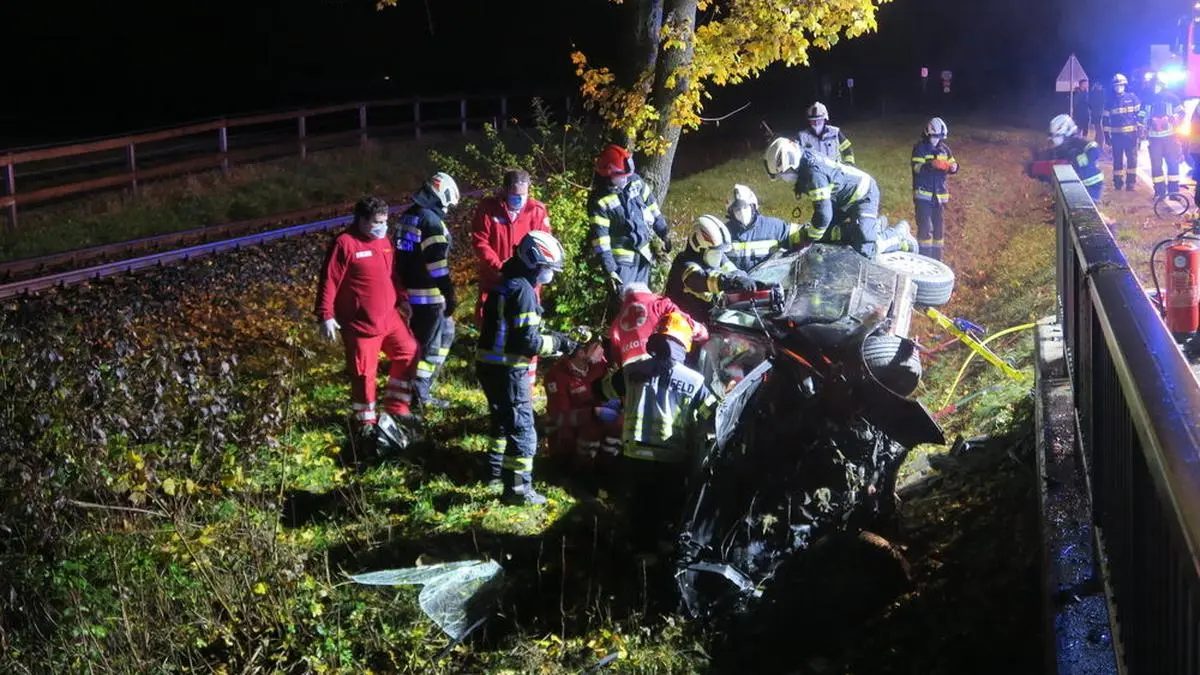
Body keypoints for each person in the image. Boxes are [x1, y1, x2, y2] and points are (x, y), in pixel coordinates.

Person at [595, 312, 717, 555]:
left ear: (656, 340)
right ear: (683, 346)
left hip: (633, 456)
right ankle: (657, 561)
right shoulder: (694, 381)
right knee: (664, 513)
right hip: (670, 461)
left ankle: (632, 557)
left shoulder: (630, 371)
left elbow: (601, 390)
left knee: (636, 511)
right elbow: (714, 414)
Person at [475, 231, 579, 505]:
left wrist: (555, 336)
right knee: (523, 430)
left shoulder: (508, 281)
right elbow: (527, 341)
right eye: (548, 269)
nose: (549, 275)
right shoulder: (523, 290)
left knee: (501, 422)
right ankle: (518, 491)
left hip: (489, 365)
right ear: (535, 262)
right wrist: (561, 343)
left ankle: (494, 473)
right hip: (509, 369)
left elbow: (520, 328)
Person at [316, 196, 420, 449]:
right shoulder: (345, 244)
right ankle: (365, 424)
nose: (382, 227)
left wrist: (402, 298)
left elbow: (391, 274)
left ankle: (397, 407)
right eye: (376, 222)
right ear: (361, 220)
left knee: (409, 351)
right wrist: (325, 315)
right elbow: (329, 279)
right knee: (364, 375)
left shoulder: (383, 242)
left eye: (385, 222)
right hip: (361, 325)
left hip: (389, 318)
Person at [470, 168, 553, 389]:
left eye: (523, 195)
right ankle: (492, 376)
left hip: (527, 283)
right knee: (491, 323)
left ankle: (527, 382)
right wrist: (498, 266)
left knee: (528, 326)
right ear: (505, 191)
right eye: (515, 195)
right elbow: (480, 241)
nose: (519, 199)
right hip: (495, 279)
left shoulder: (536, 210)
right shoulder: (488, 209)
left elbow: (544, 242)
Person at [394, 172, 460, 410]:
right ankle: (418, 395)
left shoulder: (408, 217)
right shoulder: (432, 222)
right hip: (431, 298)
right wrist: (449, 294)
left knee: (442, 338)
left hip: (412, 295)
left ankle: (420, 389)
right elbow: (438, 266)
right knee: (429, 346)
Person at [763, 136, 882, 258]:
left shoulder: (814, 175)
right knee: (828, 236)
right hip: (840, 198)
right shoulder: (804, 158)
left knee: (863, 244)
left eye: (783, 173)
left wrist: (808, 239)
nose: (784, 178)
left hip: (864, 194)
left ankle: (894, 237)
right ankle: (872, 225)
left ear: (791, 162)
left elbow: (823, 215)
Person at [587, 144, 672, 292]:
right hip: (622, 266)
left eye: (627, 175)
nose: (625, 179)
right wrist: (611, 269)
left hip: (643, 258)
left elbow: (653, 210)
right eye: (621, 176)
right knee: (626, 307)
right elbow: (601, 240)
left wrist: (664, 233)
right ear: (607, 173)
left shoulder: (636, 182)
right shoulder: (599, 202)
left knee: (644, 305)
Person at [664, 214, 756, 322]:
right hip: (679, 323)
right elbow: (700, 280)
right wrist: (732, 281)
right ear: (699, 246)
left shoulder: (715, 255)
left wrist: (752, 283)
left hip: (706, 322)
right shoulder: (684, 263)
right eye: (715, 252)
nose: (719, 255)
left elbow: (734, 271)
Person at [609, 282, 708, 367]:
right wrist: (702, 333)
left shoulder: (616, 323)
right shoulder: (658, 304)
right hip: (657, 361)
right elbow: (681, 319)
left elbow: (617, 355)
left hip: (631, 372)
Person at [723, 184, 805, 272]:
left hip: (769, 282)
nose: (742, 212)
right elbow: (717, 263)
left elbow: (800, 236)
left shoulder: (774, 227)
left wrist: (812, 233)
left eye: (745, 207)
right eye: (737, 209)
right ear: (731, 213)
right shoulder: (723, 233)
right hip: (737, 284)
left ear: (753, 207)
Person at [910, 117, 959, 261]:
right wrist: (931, 165)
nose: (937, 140)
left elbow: (953, 165)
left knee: (939, 231)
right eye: (935, 136)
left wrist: (954, 168)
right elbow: (916, 168)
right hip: (923, 196)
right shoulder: (920, 148)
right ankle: (924, 260)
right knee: (925, 229)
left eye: (940, 137)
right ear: (928, 133)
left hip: (939, 197)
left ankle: (938, 261)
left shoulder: (945, 149)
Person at [1047, 114, 1105, 201]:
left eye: (1057, 136)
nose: (1054, 140)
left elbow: (1094, 148)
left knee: (1087, 209)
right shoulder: (1060, 149)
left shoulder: (1077, 142)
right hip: (1077, 184)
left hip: (1092, 184)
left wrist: (1084, 158)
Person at [1101, 73, 1143, 191]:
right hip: (1116, 137)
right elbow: (1105, 120)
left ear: (1125, 85)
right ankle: (1118, 183)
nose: (1118, 87)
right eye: (1116, 85)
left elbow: (1141, 113)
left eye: (1120, 85)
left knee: (1132, 160)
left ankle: (1131, 183)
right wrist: (1106, 136)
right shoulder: (1109, 102)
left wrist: (1141, 126)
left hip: (1131, 136)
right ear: (1113, 87)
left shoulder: (1133, 98)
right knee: (1117, 160)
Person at [1143, 81, 1185, 198]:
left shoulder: (1172, 98)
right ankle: (1159, 192)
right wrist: (1151, 121)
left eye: (1158, 85)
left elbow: (1182, 113)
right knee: (1156, 166)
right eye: (1154, 85)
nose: (1155, 88)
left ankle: (1174, 192)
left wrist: (1171, 119)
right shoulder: (1148, 99)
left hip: (1170, 138)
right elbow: (1142, 116)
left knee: (1173, 164)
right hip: (1154, 139)